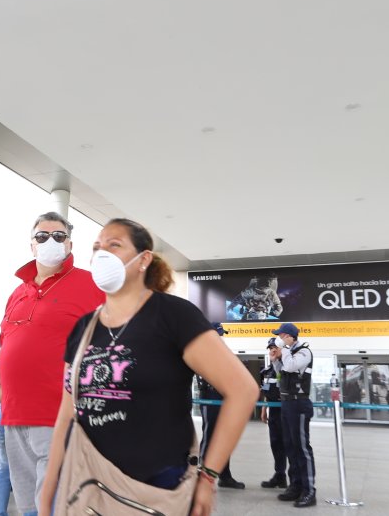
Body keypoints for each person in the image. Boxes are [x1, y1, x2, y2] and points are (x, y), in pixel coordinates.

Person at [38, 218, 257, 516]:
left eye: (114, 245)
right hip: (89, 485)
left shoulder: (174, 316)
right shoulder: (84, 328)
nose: (102, 253)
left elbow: (243, 390)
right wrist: (50, 484)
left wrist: (208, 476)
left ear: (143, 260)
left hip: (157, 489)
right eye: (97, 247)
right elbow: (67, 413)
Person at [0, 212, 104, 516]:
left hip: (60, 420)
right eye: (42, 236)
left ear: (70, 243)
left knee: (54, 508)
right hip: (13, 423)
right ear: (32, 246)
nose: (51, 241)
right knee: (29, 510)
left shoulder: (91, 286)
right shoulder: (17, 295)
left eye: (59, 236)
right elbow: (5, 355)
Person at [271, 322, 317, 507]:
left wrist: (284, 351)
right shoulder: (288, 353)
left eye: (282, 336)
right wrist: (275, 360)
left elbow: (290, 367)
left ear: (290, 336)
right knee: (289, 445)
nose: (280, 339)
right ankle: (295, 486)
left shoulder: (304, 352)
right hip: (287, 402)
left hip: (299, 403)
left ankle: (309, 490)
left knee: (301, 447)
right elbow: (281, 375)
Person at [196, 323, 245, 489]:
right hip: (209, 397)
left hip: (222, 397)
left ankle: (225, 475)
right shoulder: (202, 351)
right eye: (219, 334)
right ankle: (201, 475)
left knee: (224, 435)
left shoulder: (221, 351)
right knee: (209, 435)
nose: (221, 337)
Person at [259, 337, 290, 489]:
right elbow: (266, 391)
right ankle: (279, 475)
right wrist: (264, 409)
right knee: (275, 444)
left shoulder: (287, 367)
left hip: (286, 410)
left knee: (288, 444)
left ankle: (293, 479)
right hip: (274, 412)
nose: (272, 350)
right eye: (270, 348)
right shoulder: (265, 372)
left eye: (275, 347)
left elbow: (285, 383)